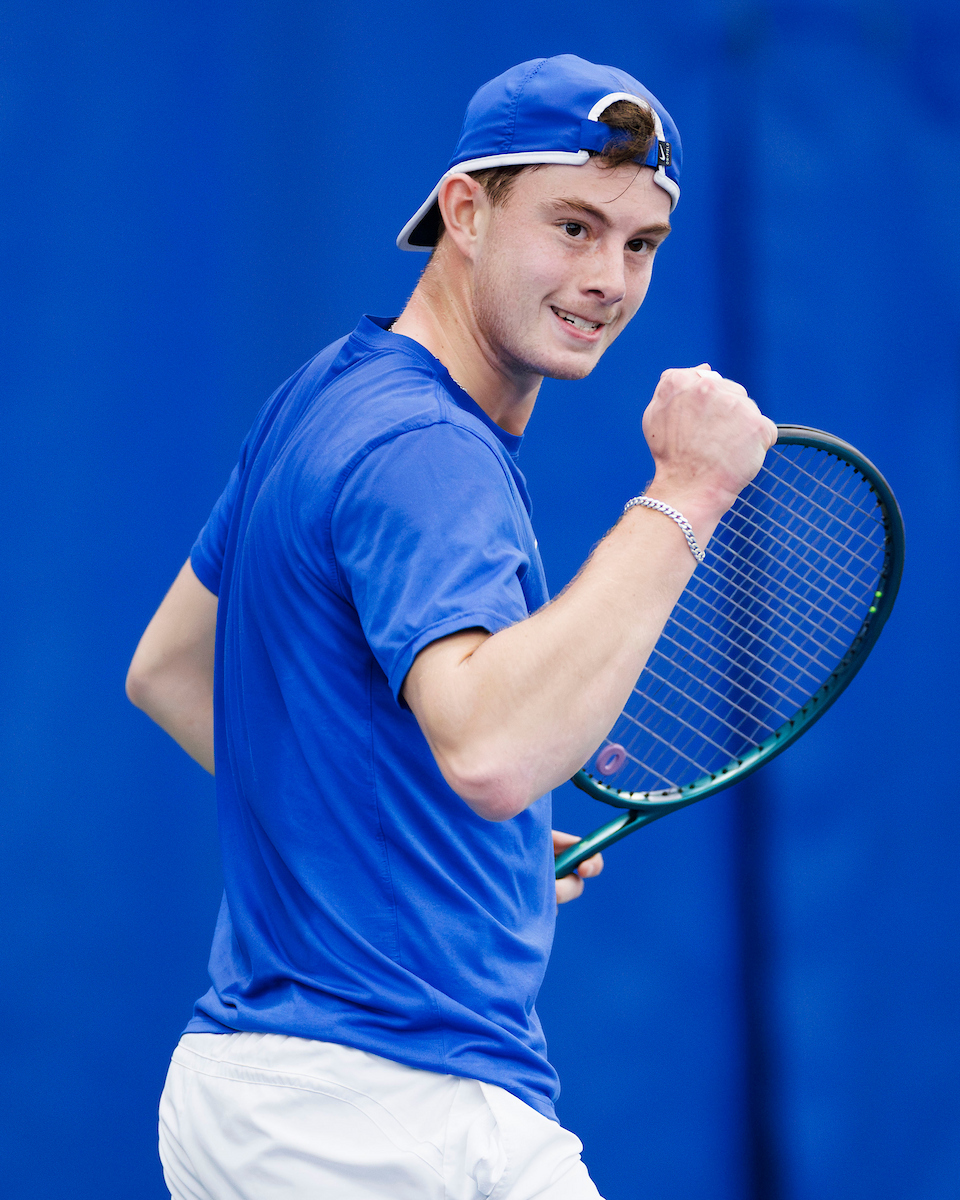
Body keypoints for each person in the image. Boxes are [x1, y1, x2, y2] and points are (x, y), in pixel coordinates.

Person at [127, 54, 775, 1200]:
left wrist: (429, 844)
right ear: (465, 211)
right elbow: (492, 753)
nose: (609, 279)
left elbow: (172, 669)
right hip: (373, 1111)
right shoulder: (430, 451)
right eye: (573, 227)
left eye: (641, 245)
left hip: (280, 1091)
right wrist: (690, 490)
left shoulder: (328, 393)